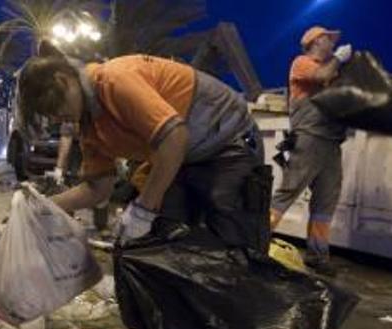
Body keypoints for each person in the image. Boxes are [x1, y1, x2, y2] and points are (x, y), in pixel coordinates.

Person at [17, 46, 271, 252]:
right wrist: (40, 209)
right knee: (165, 239)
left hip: (227, 142)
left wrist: (143, 208)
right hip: (187, 158)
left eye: (54, 108)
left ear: (64, 81)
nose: (56, 118)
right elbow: (98, 187)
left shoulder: (113, 80)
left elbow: (174, 136)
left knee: (227, 242)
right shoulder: (89, 125)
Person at [269, 26, 353, 276]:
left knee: (325, 203)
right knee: (287, 193)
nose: (332, 43)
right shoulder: (302, 63)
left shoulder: (332, 72)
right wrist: (339, 58)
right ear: (316, 41)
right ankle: (254, 242)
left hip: (330, 143)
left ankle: (317, 255)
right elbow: (320, 76)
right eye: (328, 39)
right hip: (309, 139)